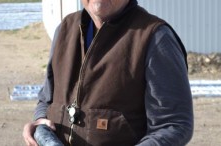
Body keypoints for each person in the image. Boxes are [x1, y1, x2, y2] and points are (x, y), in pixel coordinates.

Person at [23, 0, 194, 145]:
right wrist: (40, 123)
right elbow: (46, 100)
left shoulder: (155, 38)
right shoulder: (64, 31)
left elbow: (174, 124)